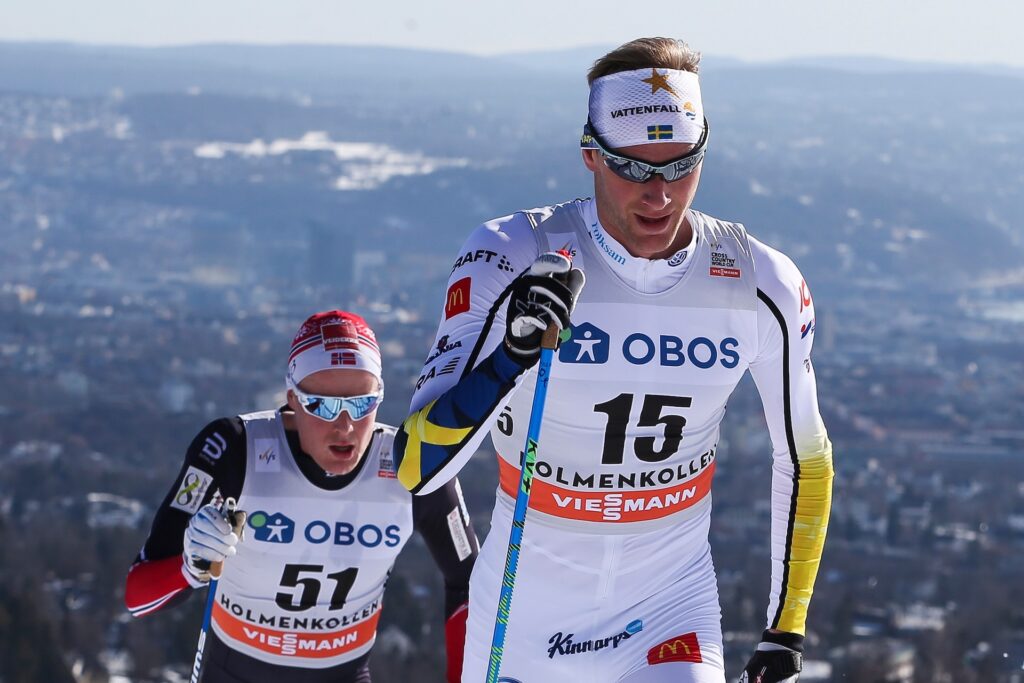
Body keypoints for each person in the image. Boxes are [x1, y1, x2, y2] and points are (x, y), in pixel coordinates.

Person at [394, 37, 833, 683]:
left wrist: (785, 631)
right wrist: (508, 357)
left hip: (667, 609)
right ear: (590, 155)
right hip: (523, 609)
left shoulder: (756, 278)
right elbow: (415, 466)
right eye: (632, 168)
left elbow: (804, 458)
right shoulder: (516, 252)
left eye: (680, 165)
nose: (658, 194)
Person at [125, 311, 479, 683]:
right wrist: (189, 565)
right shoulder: (234, 448)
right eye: (321, 406)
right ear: (292, 397)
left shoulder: (414, 465)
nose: (344, 426)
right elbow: (137, 595)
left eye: (361, 404)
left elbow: (470, 584)